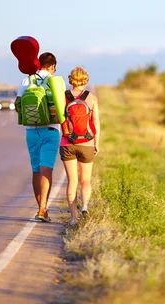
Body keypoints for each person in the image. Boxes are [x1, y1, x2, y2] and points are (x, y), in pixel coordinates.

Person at [16, 52, 64, 222]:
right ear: (52, 66)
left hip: (31, 131)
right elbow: (61, 108)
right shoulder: (56, 82)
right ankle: (43, 209)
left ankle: (40, 209)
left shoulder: (26, 81)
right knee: (47, 169)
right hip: (50, 131)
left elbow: (18, 105)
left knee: (36, 170)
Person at [59, 66, 100, 227]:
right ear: (86, 80)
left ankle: (73, 219)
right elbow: (96, 122)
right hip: (87, 143)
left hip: (67, 143)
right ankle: (85, 206)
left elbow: (59, 119)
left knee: (72, 181)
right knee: (86, 180)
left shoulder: (63, 97)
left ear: (71, 80)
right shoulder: (92, 98)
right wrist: (96, 143)